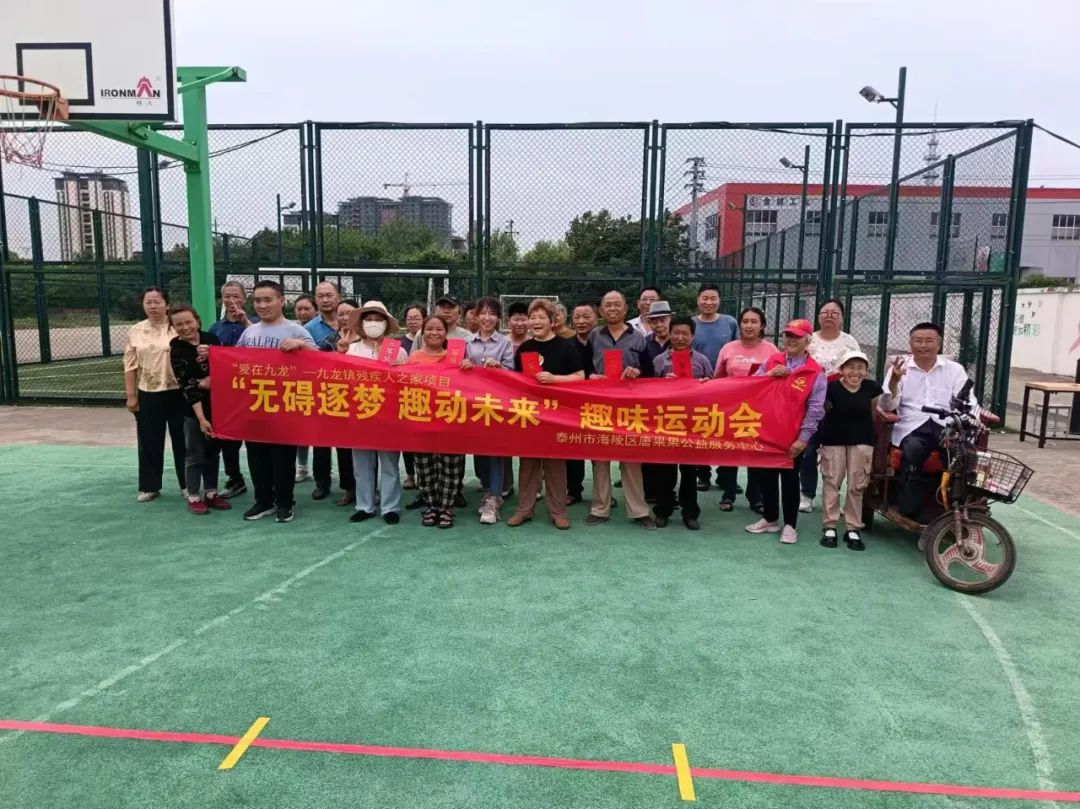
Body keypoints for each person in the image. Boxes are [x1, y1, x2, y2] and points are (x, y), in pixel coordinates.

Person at [236, 280, 317, 523]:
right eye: (258, 300)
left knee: (282, 457)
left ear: (281, 301)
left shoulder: (296, 331)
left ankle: (284, 502)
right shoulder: (250, 332)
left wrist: (301, 346)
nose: (262, 305)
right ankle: (263, 501)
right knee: (256, 455)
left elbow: (320, 362)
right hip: (255, 404)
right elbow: (235, 361)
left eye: (268, 299)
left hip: (285, 405)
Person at [878, 322, 976, 522]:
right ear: (910, 343)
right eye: (918, 340)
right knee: (913, 451)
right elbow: (887, 405)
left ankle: (957, 508)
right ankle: (911, 511)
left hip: (945, 426)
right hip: (912, 426)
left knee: (962, 454)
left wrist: (971, 420)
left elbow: (969, 401)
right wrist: (894, 381)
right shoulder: (900, 368)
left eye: (929, 340)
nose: (923, 345)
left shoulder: (954, 370)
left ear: (939, 344)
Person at [506, 299, 585, 529]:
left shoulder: (566, 346)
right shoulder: (525, 348)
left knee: (555, 465)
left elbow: (580, 376)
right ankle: (524, 509)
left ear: (552, 321)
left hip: (557, 415)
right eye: (533, 317)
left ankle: (558, 512)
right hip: (530, 414)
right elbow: (516, 380)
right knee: (528, 464)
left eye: (542, 317)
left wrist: (554, 379)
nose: (536, 321)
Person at [746, 319, 826, 544]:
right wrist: (769, 375)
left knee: (790, 479)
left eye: (797, 337)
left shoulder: (815, 371)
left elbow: (816, 408)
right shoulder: (772, 361)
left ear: (807, 341)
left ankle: (790, 525)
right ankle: (770, 518)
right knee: (767, 476)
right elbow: (750, 385)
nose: (791, 340)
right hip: (767, 431)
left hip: (793, 435)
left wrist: (803, 439)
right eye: (788, 335)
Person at [585, 290, 656, 530]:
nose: (612, 308)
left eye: (617, 304)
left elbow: (649, 373)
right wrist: (591, 375)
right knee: (600, 459)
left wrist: (638, 372)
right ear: (601, 310)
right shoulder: (594, 335)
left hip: (629, 407)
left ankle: (639, 510)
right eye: (608, 305)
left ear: (626, 309)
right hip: (600, 405)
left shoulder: (639, 338)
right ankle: (599, 508)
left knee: (631, 459)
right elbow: (585, 366)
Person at [344, 301, 408, 526]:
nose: (373, 323)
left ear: (386, 323)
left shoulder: (397, 350)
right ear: (361, 324)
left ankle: (390, 507)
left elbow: (406, 381)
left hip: (389, 415)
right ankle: (365, 505)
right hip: (361, 412)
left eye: (378, 319)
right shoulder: (352, 349)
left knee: (389, 463)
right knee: (362, 463)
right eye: (369, 319)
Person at [713, 307, 779, 513]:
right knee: (730, 452)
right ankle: (728, 494)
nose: (749, 326)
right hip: (731, 409)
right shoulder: (728, 348)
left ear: (762, 326)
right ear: (739, 324)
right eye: (745, 321)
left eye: (754, 321)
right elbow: (718, 378)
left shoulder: (772, 350)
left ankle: (755, 497)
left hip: (760, 411)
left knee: (756, 452)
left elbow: (778, 380)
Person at [124, 286, 186, 502]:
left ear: (167, 304)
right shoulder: (135, 331)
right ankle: (150, 486)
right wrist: (131, 396)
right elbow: (130, 366)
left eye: (157, 302)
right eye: (148, 302)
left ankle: (188, 484)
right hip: (148, 392)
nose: (153, 306)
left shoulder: (178, 327)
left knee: (183, 439)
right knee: (149, 440)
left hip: (179, 392)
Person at [800, 299, 862, 513]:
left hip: (840, 404)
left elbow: (857, 369)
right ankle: (806, 494)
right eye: (825, 312)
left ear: (842, 318)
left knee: (837, 453)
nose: (829, 316)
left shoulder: (849, 341)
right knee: (808, 450)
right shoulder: (808, 340)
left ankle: (834, 497)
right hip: (810, 403)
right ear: (818, 316)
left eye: (834, 313)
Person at [651, 316, 712, 530]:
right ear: (669, 334)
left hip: (692, 423)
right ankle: (663, 510)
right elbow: (647, 391)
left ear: (692, 336)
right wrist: (663, 385)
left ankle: (690, 513)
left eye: (685, 333)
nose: (679, 337)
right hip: (666, 422)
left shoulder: (702, 360)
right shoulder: (659, 361)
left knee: (689, 471)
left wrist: (704, 384)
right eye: (675, 333)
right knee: (665, 471)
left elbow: (715, 389)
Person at [168, 305, 230, 515]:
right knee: (195, 454)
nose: (185, 327)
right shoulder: (176, 349)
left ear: (197, 321)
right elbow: (187, 385)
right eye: (179, 324)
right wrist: (202, 419)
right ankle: (193, 495)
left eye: (189, 322)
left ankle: (211, 492)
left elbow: (226, 366)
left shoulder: (211, 339)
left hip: (218, 406)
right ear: (173, 327)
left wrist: (213, 359)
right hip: (193, 410)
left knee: (213, 451)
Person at [818, 350, 881, 551]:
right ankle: (830, 525)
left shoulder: (872, 388)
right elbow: (821, 411)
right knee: (832, 481)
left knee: (857, 485)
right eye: (850, 367)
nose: (855, 372)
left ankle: (853, 527)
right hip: (833, 440)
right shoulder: (830, 388)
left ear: (866, 370)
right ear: (841, 370)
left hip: (863, 441)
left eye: (860, 367)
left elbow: (875, 412)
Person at [407, 315, 465, 528]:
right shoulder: (414, 357)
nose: (434, 333)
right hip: (421, 418)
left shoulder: (456, 358)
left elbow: (468, 386)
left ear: (446, 333)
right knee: (425, 467)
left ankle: (446, 508)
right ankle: (431, 506)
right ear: (422, 332)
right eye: (429, 329)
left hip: (449, 418)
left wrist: (468, 367)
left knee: (451, 466)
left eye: (439, 329)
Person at [462, 297, 516, 524]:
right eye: (482, 313)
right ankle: (487, 490)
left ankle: (494, 498)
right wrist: (464, 366)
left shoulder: (505, 343)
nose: (487, 318)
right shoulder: (467, 342)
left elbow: (512, 375)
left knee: (495, 450)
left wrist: (500, 367)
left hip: (496, 405)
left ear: (498, 318)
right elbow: (456, 371)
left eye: (492, 313)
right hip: (473, 405)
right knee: (479, 450)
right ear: (476, 316)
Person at [309, 297, 358, 505]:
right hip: (329, 397)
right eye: (341, 314)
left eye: (349, 314)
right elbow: (317, 366)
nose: (345, 318)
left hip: (357, 401)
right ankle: (322, 483)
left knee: (347, 447)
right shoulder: (328, 342)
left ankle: (350, 487)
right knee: (322, 443)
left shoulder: (365, 341)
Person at [208, 280, 254, 499]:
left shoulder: (255, 324)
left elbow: (260, 345)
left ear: (244, 298)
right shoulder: (216, 328)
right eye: (227, 296)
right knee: (228, 440)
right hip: (227, 393)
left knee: (256, 440)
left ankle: (265, 480)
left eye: (236, 296)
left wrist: (245, 321)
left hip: (253, 392)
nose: (231, 300)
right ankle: (235, 479)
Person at [691, 284, 739, 492]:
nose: (708, 302)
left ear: (719, 300)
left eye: (713, 298)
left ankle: (726, 477)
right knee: (702, 430)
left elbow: (737, 349)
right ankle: (703, 475)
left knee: (727, 431)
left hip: (725, 387)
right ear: (698, 300)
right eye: (705, 298)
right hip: (699, 387)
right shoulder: (691, 324)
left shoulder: (730, 323)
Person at [638, 300, 673, 505]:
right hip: (648, 404)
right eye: (654, 321)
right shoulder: (644, 343)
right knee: (647, 445)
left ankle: (667, 493)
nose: (659, 325)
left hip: (673, 407)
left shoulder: (679, 342)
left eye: (663, 320)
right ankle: (648, 489)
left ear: (670, 320)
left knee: (668, 450)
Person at [566, 302, 598, 505]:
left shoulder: (603, 342)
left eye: (586, 316)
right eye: (577, 317)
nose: (581, 321)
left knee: (600, 450)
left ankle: (602, 494)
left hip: (600, 404)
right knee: (573, 448)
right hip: (573, 405)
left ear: (596, 318)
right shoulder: (566, 345)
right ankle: (574, 490)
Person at [399, 304, 427, 490]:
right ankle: (411, 475)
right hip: (406, 396)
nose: (413, 321)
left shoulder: (431, 338)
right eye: (409, 318)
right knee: (407, 439)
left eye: (417, 318)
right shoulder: (397, 343)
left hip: (426, 396)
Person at [293, 293, 317, 482]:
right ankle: (302, 467)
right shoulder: (291, 329)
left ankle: (322, 472)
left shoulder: (318, 329)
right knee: (299, 428)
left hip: (321, 384)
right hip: (298, 385)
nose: (302, 312)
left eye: (307, 308)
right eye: (299, 309)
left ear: (315, 311)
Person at [305, 281, 342, 351]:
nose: (325, 300)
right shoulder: (309, 328)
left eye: (329, 295)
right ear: (315, 300)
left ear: (339, 298)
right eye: (320, 296)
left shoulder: (351, 323)